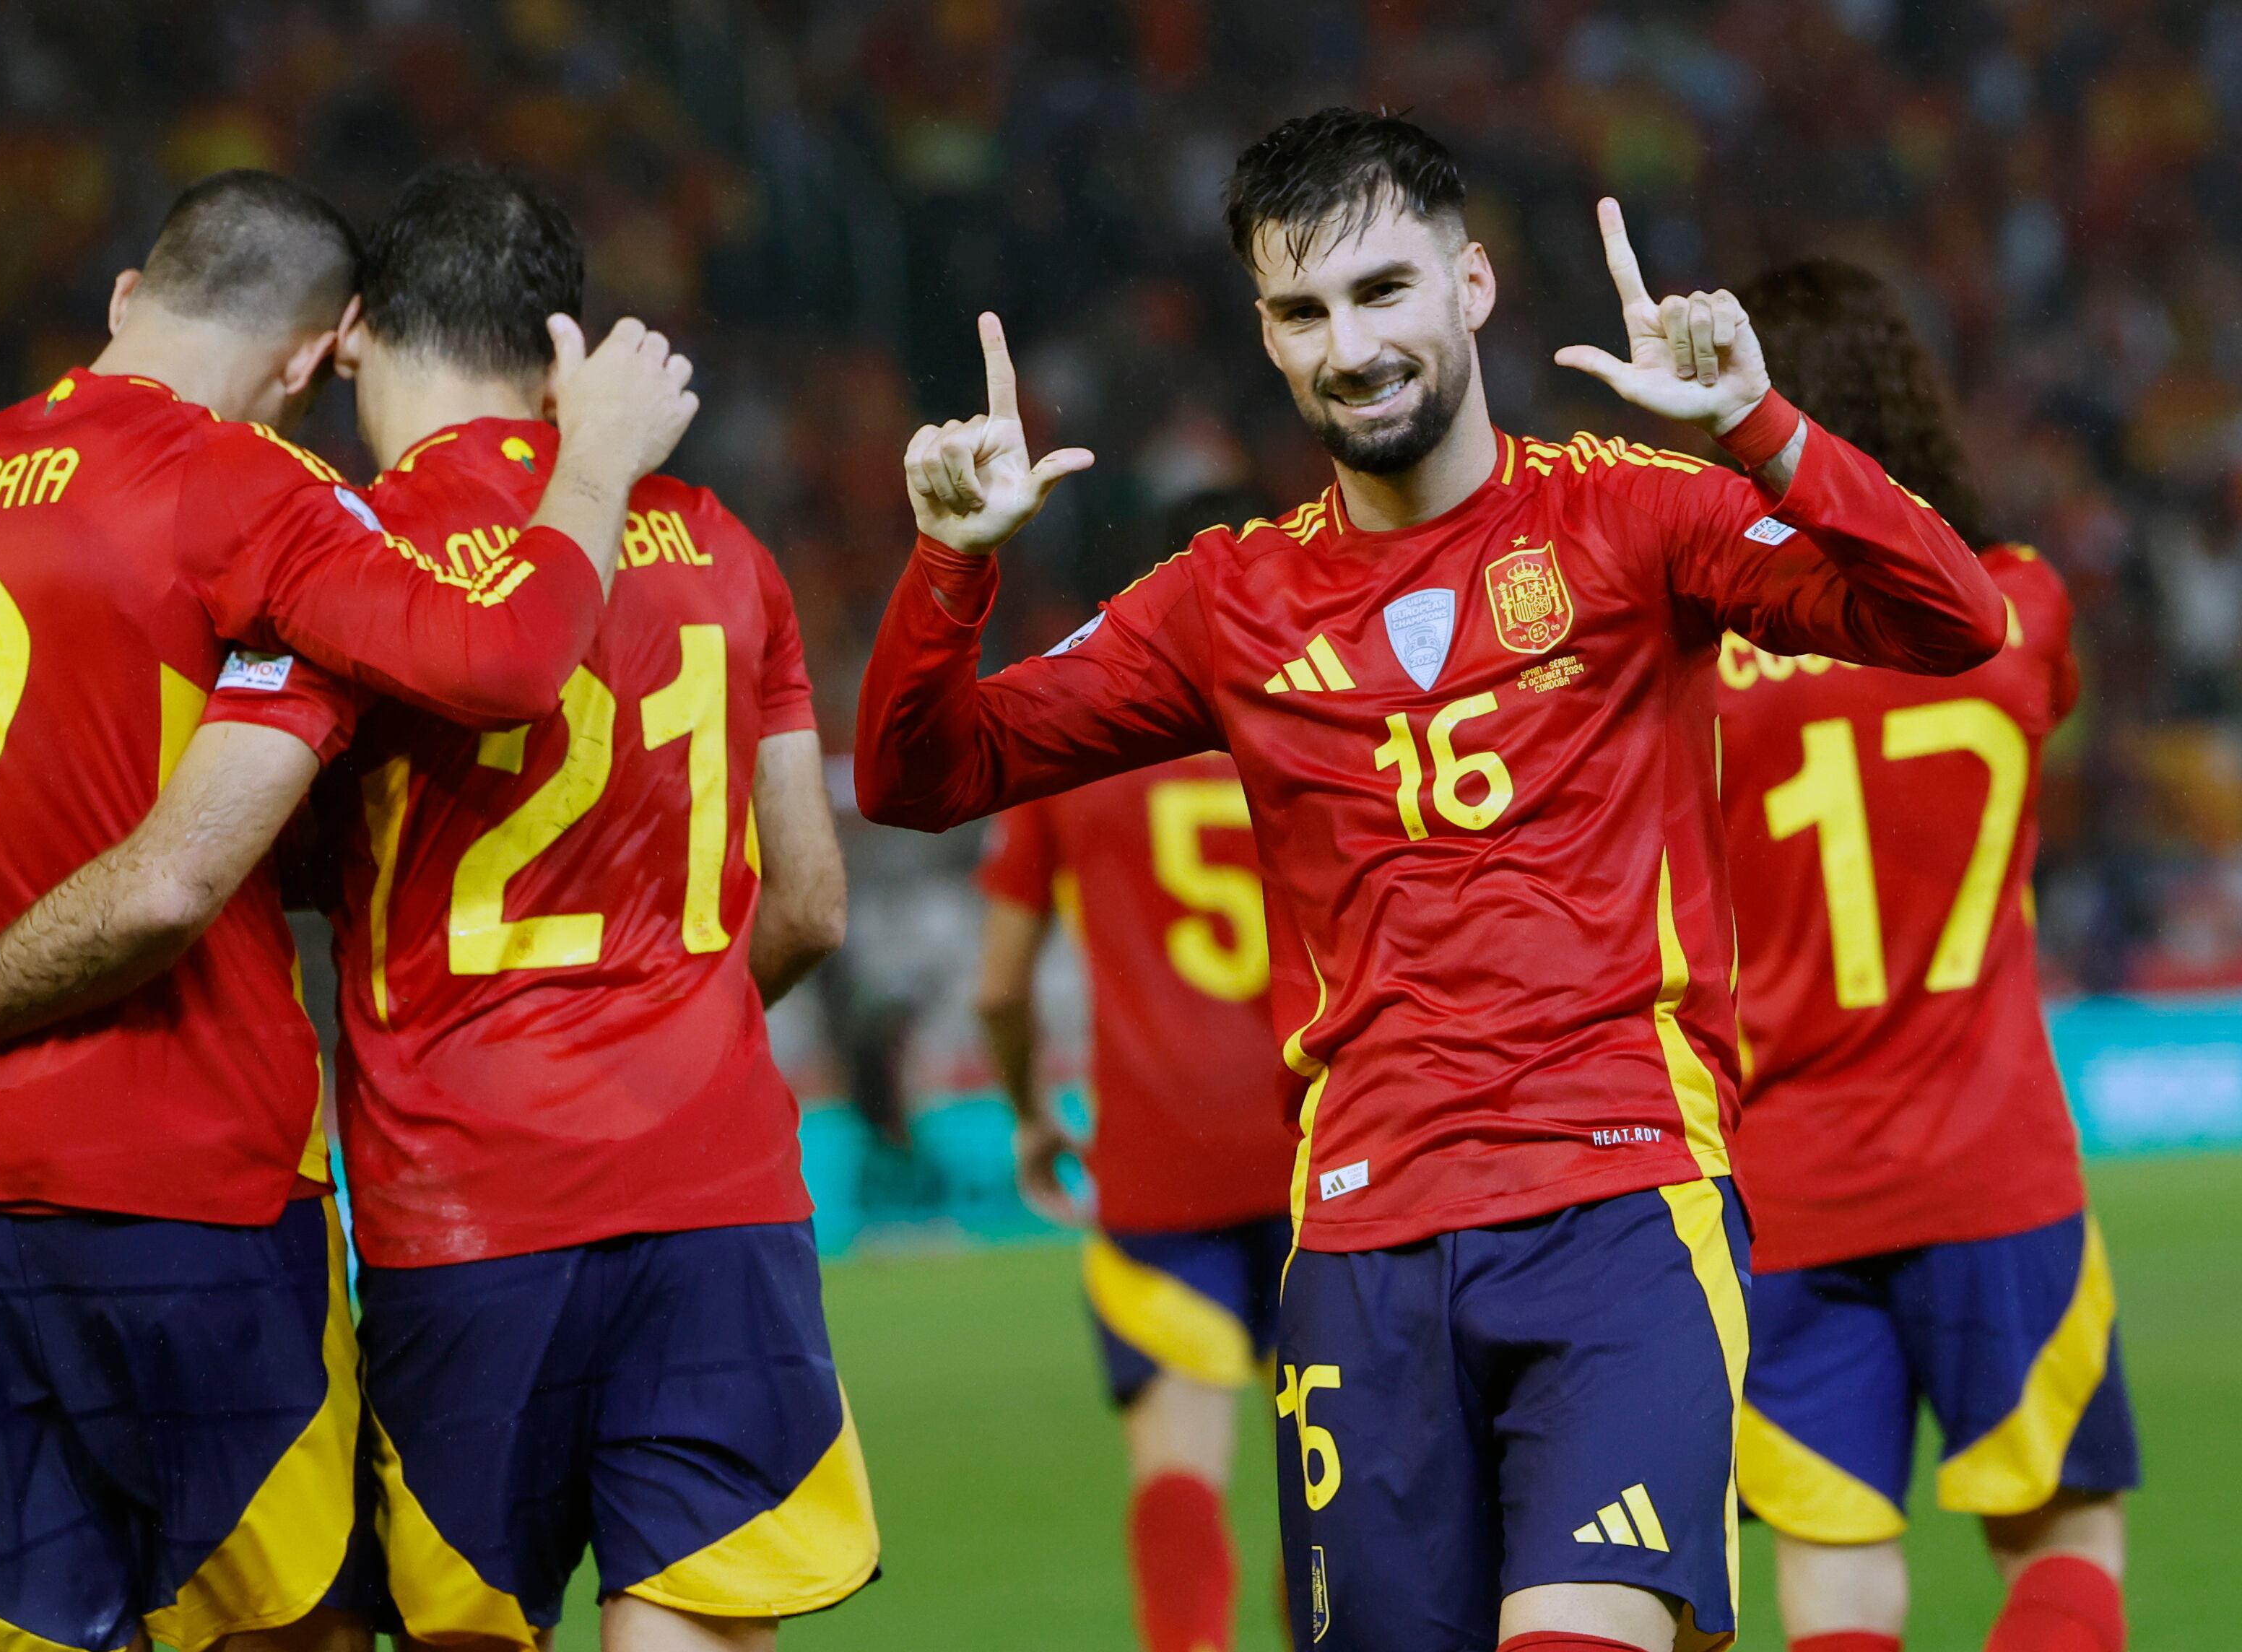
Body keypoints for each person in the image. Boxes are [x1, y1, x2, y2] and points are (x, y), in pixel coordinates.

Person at [853, 107, 2007, 1652]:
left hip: (1619, 1204)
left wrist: (1761, 428)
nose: (1351, 345)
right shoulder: (1224, 601)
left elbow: (1954, 619)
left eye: (1383, 291)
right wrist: (948, 568)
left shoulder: (1633, 515)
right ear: (1266, 336)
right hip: (1356, 1245)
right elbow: (918, 777)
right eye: (1305, 311)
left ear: (1470, 286)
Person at [0, 168, 694, 1652]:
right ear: (318, 357)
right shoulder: (245, 484)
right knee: (289, 1632)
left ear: (129, 297)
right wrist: (596, 465)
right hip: (192, 1182)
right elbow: (502, 662)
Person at [220, 161, 873, 1652]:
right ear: (563, 345)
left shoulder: (344, 552)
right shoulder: (720, 544)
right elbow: (813, 902)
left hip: (469, 1210)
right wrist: (678, 1013)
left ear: (363, 331)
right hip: (715, 1202)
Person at [1718, 258, 2138, 1652]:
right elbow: (2026, 687)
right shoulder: (2022, 608)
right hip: (1994, 1163)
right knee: (2066, 1541)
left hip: (1785, 1190)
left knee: (1838, 1581)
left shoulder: (1702, 666)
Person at [973, 751, 1298, 1652]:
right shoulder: (1297, 695)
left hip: (1161, 1165)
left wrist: (1033, 1114)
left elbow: (998, 986)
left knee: (1178, 1468)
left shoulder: (1076, 745)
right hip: (1324, 1149)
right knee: (1329, 1484)